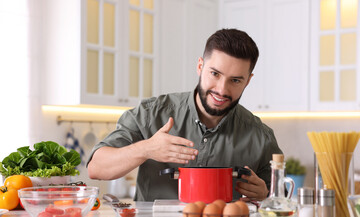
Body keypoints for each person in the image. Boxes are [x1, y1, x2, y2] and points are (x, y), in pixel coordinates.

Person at [87, 28, 282, 202]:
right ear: (200, 66)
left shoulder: (261, 136)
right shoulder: (151, 113)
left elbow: (280, 197)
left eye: (236, 80)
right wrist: (147, 149)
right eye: (215, 74)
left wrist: (265, 193)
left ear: (248, 81)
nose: (222, 90)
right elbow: (96, 168)